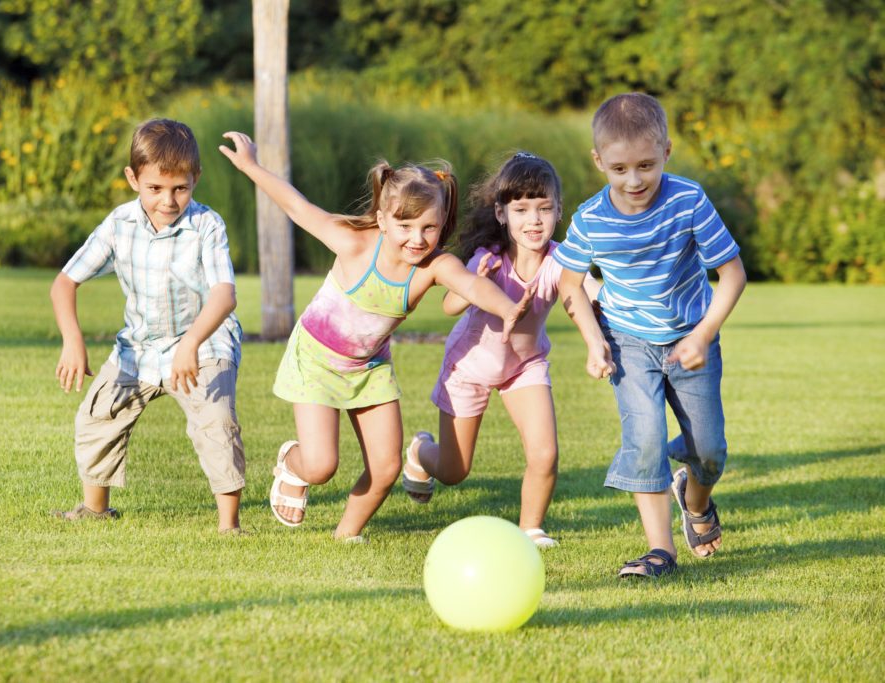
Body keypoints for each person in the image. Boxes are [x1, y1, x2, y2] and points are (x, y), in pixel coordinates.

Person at [219, 131, 532, 542]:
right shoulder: (353, 244)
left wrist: (508, 308)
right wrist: (251, 167)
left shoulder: (433, 267)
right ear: (383, 219)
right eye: (405, 225)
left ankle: (345, 535)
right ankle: (294, 465)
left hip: (369, 368)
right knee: (321, 465)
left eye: (429, 227)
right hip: (315, 361)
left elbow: (471, 285)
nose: (417, 239)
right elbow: (297, 206)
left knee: (385, 468)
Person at [554, 92, 747, 578]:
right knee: (644, 438)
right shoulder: (590, 219)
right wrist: (595, 341)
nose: (634, 180)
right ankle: (660, 550)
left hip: (689, 340)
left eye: (645, 164)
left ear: (666, 152)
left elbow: (733, 273)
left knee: (709, 450)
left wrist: (703, 335)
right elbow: (569, 283)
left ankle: (695, 499)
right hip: (628, 343)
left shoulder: (688, 200)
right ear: (599, 161)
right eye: (619, 169)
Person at [50, 118, 247, 534]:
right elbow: (65, 282)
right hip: (139, 348)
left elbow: (224, 295)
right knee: (98, 414)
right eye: (155, 188)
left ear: (196, 179)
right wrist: (72, 339)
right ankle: (95, 509)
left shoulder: (207, 226)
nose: (168, 200)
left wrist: (192, 341)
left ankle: (229, 526)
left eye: (181, 188)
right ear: (133, 178)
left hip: (204, 343)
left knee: (216, 422)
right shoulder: (119, 224)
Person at [402, 152, 600, 549]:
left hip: (524, 367)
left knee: (545, 453)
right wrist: (474, 281)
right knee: (455, 471)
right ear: (501, 212)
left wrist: (606, 325)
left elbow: (586, 294)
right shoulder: (488, 258)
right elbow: (450, 306)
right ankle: (420, 451)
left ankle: (531, 529)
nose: (534, 220)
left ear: (559, 210)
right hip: (469, 367)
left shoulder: (561, 260)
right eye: (522, 209)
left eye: (544, 208)